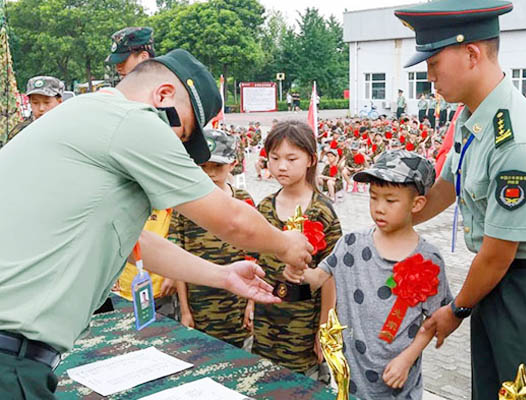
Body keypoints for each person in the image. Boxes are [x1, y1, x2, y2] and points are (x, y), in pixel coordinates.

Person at [0, 49, 313, 397]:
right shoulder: (130, 119)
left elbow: (134, 241)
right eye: (182, 134)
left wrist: (222, 276)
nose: (177, 146)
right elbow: (233, 220)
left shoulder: (82, 115)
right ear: (163, 95)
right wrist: (287, 245)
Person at [394, 1, 526, 399]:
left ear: (471, 54)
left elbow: (498, 253)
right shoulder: (473, 117)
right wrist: (392, 224)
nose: (428, 75)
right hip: (497, 282)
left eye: (434, 61)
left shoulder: (517, 140)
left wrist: (456, 310)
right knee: (491, 391)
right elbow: (446, 187)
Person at [285, 150, 452, 400]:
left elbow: (435, 319)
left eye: (390, 200)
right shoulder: (351, 244)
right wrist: (296, 270)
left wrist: (407, 359)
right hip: (351, 381)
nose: (379, 209)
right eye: (374, 198)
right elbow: (317, 279)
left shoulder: (427, 259)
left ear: (417, 204)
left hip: (399, 384)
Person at [252, 121, 342, 380]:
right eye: (274, 157)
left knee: (298, 385)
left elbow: (331, 275)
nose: (281, 166)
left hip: (302, 322)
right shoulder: (265, 207)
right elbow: (256, 262)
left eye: (292, 158)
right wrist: (249, 305)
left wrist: (323, 327)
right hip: (265, 318)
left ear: (311, 160)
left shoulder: (322, 211)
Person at [106, 26, 178, 318]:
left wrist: (177, 269)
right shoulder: (120, 102)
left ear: (144, 56)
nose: (119, 67)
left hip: (159, 249)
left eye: (124, 59)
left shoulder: (168, 107)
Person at [170, 129, 255, 349]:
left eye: (217, 167)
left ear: (232, 165)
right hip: (198, 308)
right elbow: (177, 260)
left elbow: (256, 256)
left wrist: (251, 305)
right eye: (203, 166)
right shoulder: (185, 204)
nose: (209, 173)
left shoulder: (243, 201)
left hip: (236, 306)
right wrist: (185, 310)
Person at [5, 76, 64, 143]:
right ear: (29, 102)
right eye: (35, 103)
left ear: (59, 102)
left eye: (47, 103)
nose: (41, 108)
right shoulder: (20, 132)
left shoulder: (67, 129)